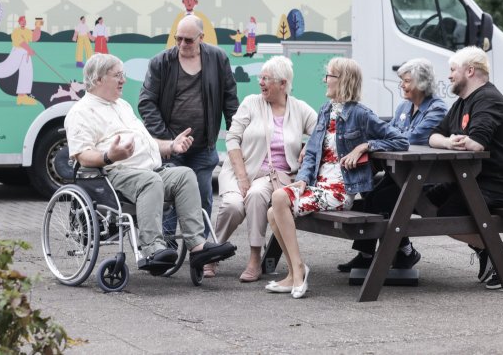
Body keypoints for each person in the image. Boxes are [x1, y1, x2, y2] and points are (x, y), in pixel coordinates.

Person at [65, 53, 236, 273]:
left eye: (123, 75)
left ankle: (198, 247)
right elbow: (81, 155)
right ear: (98, 79)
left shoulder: (122, 105)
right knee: (151, 180)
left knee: (184, 174)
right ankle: (152, 247)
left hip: (149, 170)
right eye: (117, 75)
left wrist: (171, 146)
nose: (123, 80)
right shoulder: (80, 112)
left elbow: (146, 142)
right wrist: (110, 155)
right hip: (113, 174)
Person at [265, 57, 408, 299]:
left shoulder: (361, 114)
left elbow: (400, 140)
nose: (325, 80)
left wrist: (364, 146)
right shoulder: (325, 110)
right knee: (273, 212)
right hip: (318, 187)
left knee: (279, 197)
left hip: (340, 190)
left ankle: (298, 271)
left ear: (342, 80)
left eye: (329, 75)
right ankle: (293, 272)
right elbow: (311, 151)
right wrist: (302, 179)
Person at [209, 56, 316, 281]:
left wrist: (309, 147)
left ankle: (255, 258)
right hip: (242, 170)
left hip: (277, 176)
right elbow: (232, 138)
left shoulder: (300, 109)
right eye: (260, 77)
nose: (261, 82)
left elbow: (322, 132)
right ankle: (212, 253)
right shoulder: (251, 103)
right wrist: (241, 177)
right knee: (232, 206)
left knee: (257, 195)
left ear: (283, 84)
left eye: (266, 78)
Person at [338, 58, 447, 272]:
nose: (402, 86)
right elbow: (388, 133)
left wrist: (382, 141)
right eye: (402, 81)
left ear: (422, 83)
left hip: (425, 178)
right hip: (400, 174)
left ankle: (372, 254)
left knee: (380, 199)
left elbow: (411, 138)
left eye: (406, 81)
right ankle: (403, 250)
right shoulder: (403, 107)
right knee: (368, 189)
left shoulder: (437, 109)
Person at [428, 46, 503, 290]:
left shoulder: (487, 99)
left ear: (469, 71)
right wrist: (450, 141)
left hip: (498, 185)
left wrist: (458, 140)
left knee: (446, 216)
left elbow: (476, 144)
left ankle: (500, 253)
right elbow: (434, 136)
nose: (448, 75)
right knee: (423, 199)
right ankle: (487, 252)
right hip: (470, 180)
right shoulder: (462, 102)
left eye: (452, 70)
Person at [139, 15, 239, 236]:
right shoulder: (160, 63)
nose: (182, 44)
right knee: (168, 199)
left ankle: (201, 250)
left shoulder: (218, 59)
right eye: (178, 39)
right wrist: (168, 141)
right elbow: (146, 103)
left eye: (188, 40)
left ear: (201, 38)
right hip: (170, 149)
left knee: (203, 197)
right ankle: (167, 249)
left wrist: (235, 138)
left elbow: (230, 100)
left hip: (203, 148)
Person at [0, 15, 41, 105]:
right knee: (8, 68)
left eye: (24, 21)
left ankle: (22, 96)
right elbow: (21, 42)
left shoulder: (27, 31)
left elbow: (35, 38)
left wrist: (38, 26)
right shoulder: (16, 31)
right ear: (19, 22)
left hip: (25, 53)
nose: (23, 22)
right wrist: (29, 49)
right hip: (18, 50)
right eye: (22, 21)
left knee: (27, 73)